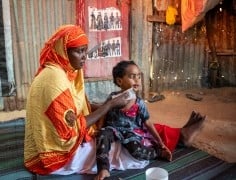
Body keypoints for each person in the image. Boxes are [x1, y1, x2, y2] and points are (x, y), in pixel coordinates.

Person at [24, 25, 131, 175]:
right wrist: (109, 105)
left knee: (120, 133)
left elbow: (76, 106)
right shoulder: (55, 79)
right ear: (63, 51)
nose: (84, 56)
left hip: (47, 140)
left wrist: (101, 106)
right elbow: (69, 132)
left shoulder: (64, 71)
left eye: (85, 50)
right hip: (56, 154)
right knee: (120, 148)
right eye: (78, 51)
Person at [95, 60, 206, 180]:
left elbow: (148, 123)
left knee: (135, 148)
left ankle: (158, 153)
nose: (137, 80)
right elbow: (103, 113)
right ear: (119, 81)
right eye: (132, 77)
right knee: (102, 135)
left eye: (138, 76)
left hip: (130, 132)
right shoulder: (113, 97)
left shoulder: (139, 103)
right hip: (113, 129)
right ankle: (103, 169)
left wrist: (160, 143)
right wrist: (99, 128)